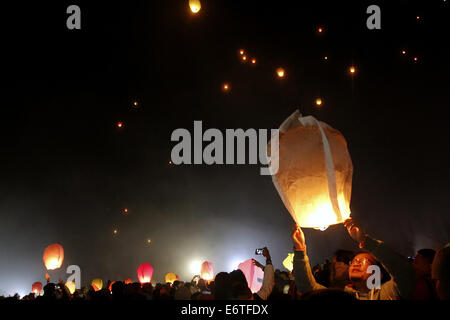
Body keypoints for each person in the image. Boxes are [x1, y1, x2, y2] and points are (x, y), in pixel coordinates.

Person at [292, 218, 416, 300]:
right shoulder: (340, 296)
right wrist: (299, 249)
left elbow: (404, 272)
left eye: (363, 261)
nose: (356, 264)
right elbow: (307, 287)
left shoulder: (387, 294)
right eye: (354, 261)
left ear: (379, 273)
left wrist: (365, 241)